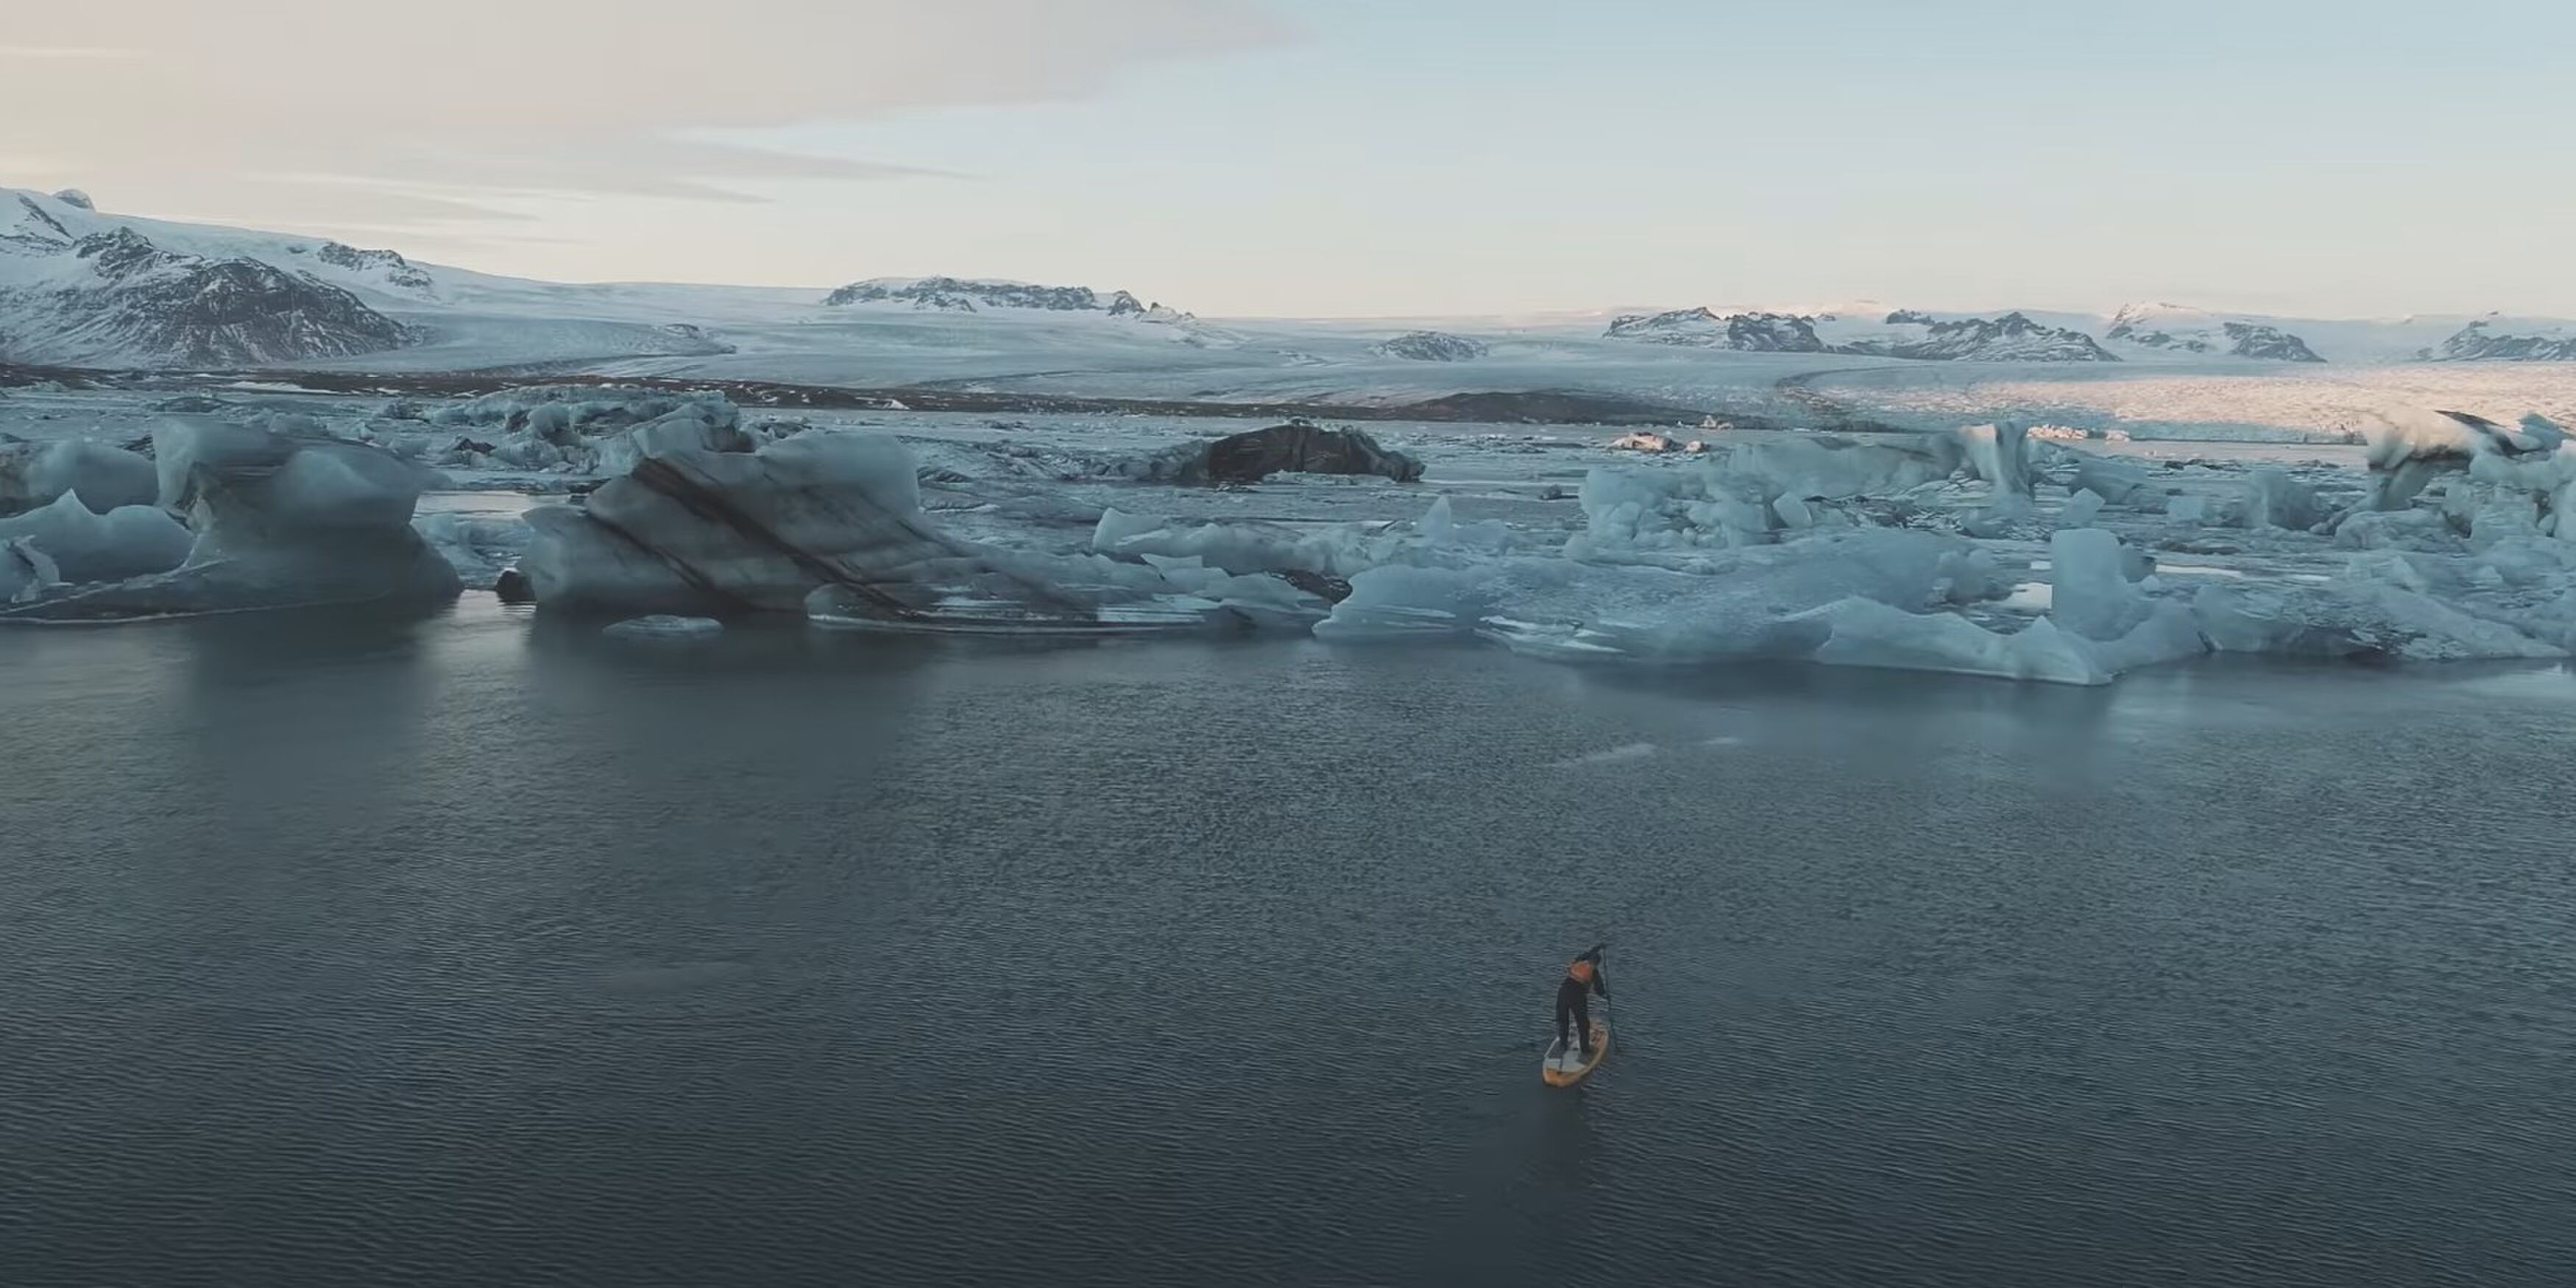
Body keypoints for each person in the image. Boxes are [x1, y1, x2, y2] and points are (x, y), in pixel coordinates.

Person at [1554, 944, 1607, 1058]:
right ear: (1597, 964)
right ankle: (1585, 1050)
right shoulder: (1594, 972)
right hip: (1577, 997)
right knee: (1583, 1024)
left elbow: (1588, 953)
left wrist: (1599, 947)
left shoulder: (1579, 961)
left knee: (1563, 1021)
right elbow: (1599, 990)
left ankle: (1563, 1045)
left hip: (1563, 993)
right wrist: (1606, 996)